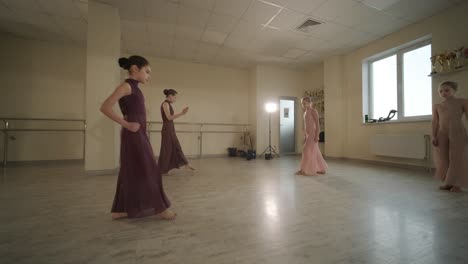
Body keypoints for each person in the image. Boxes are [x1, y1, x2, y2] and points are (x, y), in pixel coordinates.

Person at [100, 55, 176, 220]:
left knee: (131, 171)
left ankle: (120, 210)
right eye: (147, 71)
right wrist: (127, 124)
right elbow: (105, 107)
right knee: (151, 169)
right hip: (133, 134)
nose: (149, 76)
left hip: (137, 133)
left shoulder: (135, 88)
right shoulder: (126, 86)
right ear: (135, 69)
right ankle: (160, 208)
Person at [432, 81, 468, 192]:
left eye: (447, 90)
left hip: (457, 132)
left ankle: (457, 184)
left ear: (454, 90)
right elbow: (435, 122)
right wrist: (434, 135)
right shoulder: (437, 106)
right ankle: (448, 182)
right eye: (441, 91)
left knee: (457, 157)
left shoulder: (463, 102)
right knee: (443, 158)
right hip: (442, 133)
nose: (444, 93)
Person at [158, 89, 195, 174]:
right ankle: (162, 169)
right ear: (170, 96)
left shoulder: (168, 104)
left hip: (170, 128)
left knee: (176, 146)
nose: (175, 99)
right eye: (175, 97)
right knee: (166, 149)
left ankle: (186, 163)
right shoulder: (165, 104)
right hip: (167, 129)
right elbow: (169, 117)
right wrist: (182, 113)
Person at [295, 96, 328, 176]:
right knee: (315, 151)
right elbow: (306, 125)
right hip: (308, 134)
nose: (303, 105)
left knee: (306, 151)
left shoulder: (313, 111)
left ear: (309, 103)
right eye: (302, 103)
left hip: (313, 134)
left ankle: (304, 170)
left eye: (304, 103)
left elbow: (317, 124)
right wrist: (305, 136)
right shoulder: (305, 112)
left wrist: (317, 135)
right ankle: (322, 169)